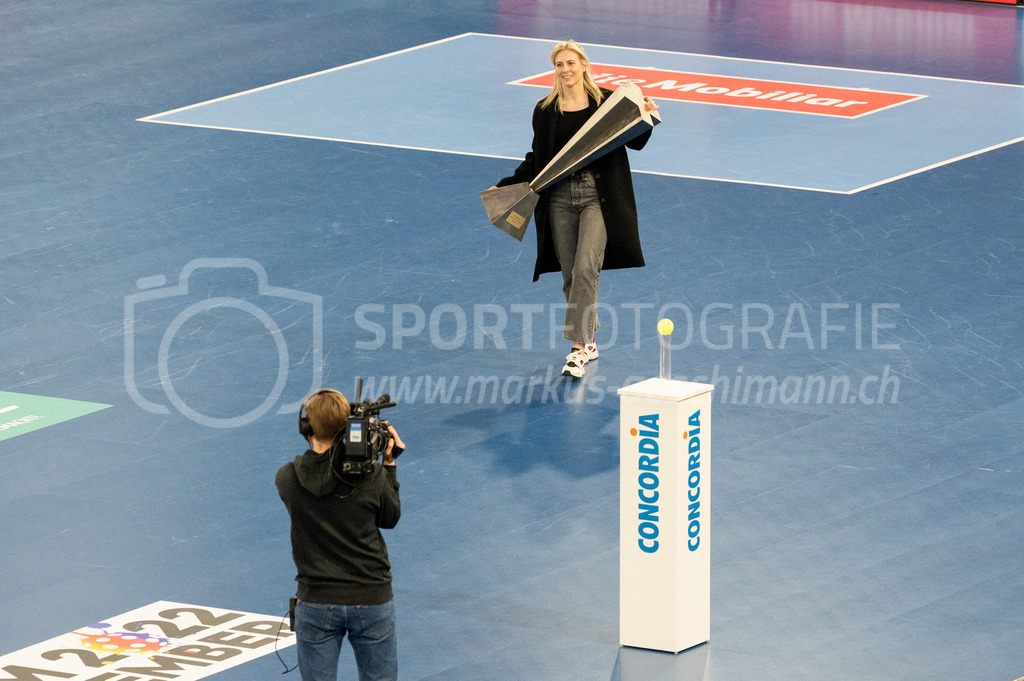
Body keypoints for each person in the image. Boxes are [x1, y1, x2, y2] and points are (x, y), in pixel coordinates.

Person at [493, 39, 659, 378]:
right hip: (559, 199)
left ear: (584, 65)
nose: (565, 69)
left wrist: (648, 114)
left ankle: (578, 348)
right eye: (559, 64)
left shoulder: (607, 102)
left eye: (571, 63)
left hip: (599, 197)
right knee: (571, 275)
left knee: (586, 269)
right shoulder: (545, 109)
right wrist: (507, 184)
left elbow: (635, 141)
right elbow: (538, 158)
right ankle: (590, 339)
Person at [276, 388, 405, 681]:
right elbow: (390, 518)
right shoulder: (372, 475)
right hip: (371, 599)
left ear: (305, 428)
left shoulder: (287, 478)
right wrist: (388, 465)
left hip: (315, 602)